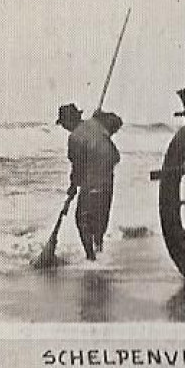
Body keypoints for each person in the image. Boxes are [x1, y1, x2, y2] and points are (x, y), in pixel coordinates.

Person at [57, 102, 121, 261]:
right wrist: (102, 117)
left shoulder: (74, 138)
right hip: (108, 179)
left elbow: (77, 167)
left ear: (69, 121)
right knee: (100, 217)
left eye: (64, 123)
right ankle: (99, 249)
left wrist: (73, 187)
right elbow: (117, 122)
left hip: (92, 181)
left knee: (82, 219)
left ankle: (91, 258)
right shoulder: (97, 123)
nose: (64, 127)